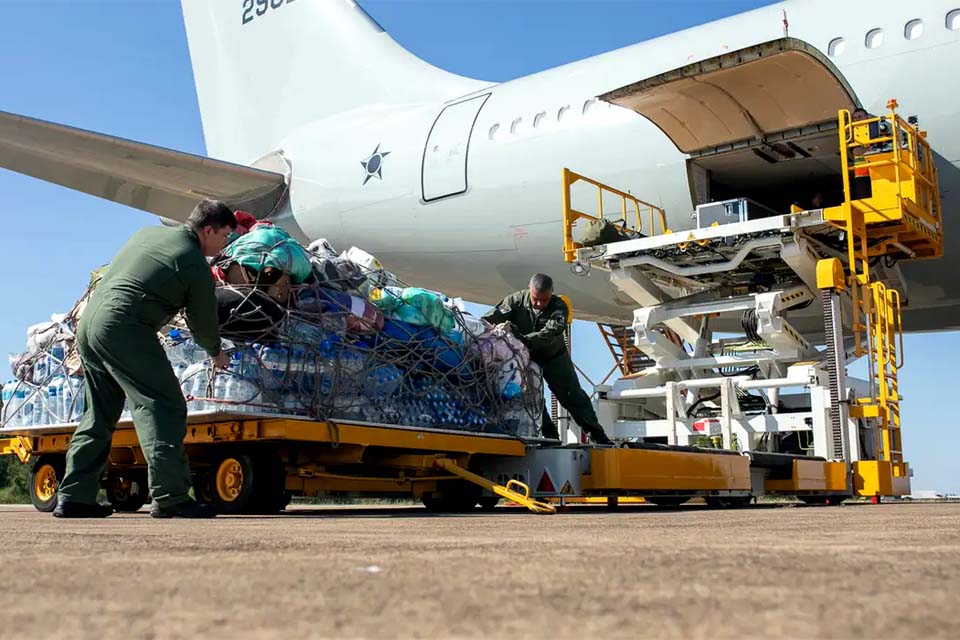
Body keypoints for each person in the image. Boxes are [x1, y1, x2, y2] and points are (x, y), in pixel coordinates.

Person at [54, 200, 236, 518]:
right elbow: (202, 322)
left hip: (90, 322)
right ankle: (171, 496)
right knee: (163, 404)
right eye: (224, 236)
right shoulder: (193, 263)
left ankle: (74, 496)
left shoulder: (146, 234)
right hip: (124, 327)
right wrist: (215, 352)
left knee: (99, 413)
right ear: (208, 230)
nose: (225, 244)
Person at [484, 274, 613, 445]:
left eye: (543, 300)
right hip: (527, 359)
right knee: (532, 399)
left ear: (551, 293)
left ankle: (597, 435)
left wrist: (526, 339)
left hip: (554, 358)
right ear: (529, 290)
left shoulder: (559, 307)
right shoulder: (515, 301)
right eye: (535, 299)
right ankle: (550, 436)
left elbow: (551, 332)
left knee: (572, 396)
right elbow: (490, 318)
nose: (538, 304)